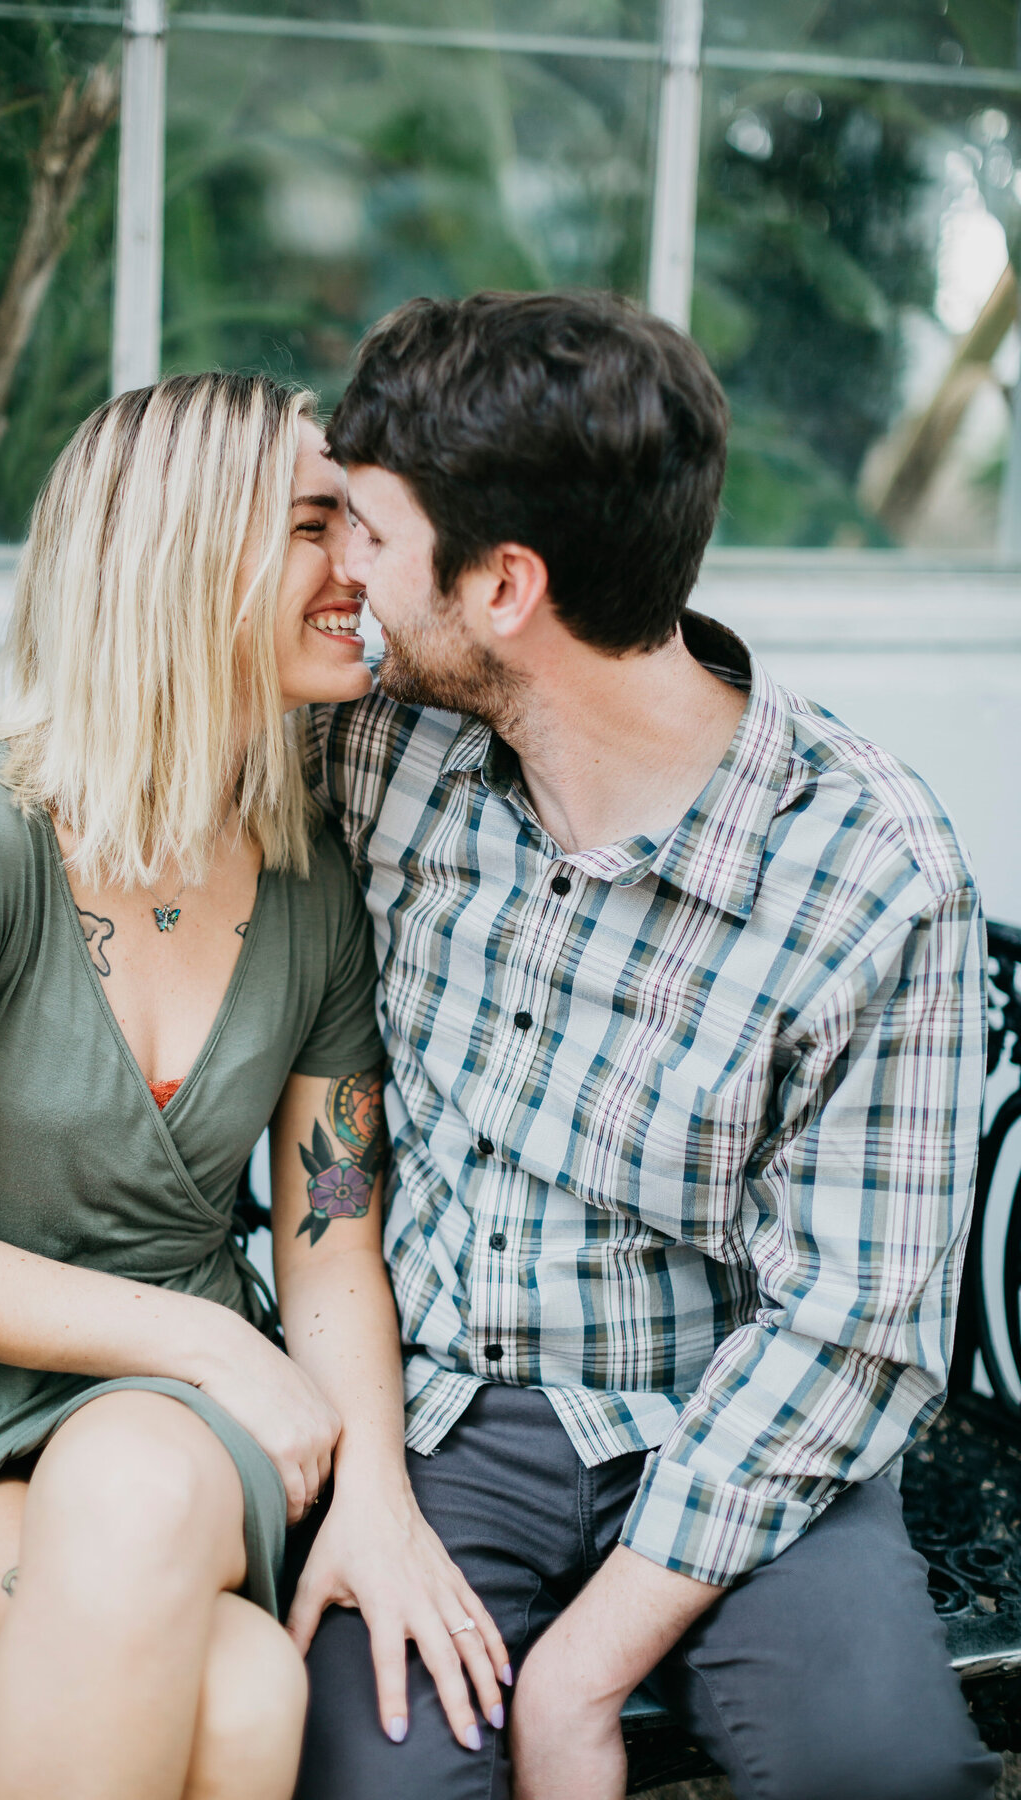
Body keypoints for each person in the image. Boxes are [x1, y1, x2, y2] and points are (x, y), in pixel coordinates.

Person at [289, 292, 1000, 1800]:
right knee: (378, 1784)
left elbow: (851, 1328)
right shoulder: (376, 741)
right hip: (446, 1417)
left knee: (879, 1773)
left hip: (744, 1421)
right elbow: (134, 728)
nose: (339, 565)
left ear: (503, 589)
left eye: (366, 529)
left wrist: (580, 1673)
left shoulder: (873, 872)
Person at [0, 371, 509, 1800]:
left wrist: (375, 1499)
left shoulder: (319, 886)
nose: (361, 571)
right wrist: (212, 1347)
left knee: (136, 1475)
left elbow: (332, 1249)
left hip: (180, 1435)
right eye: (318, 526)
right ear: (191, 557)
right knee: (244, 1695)